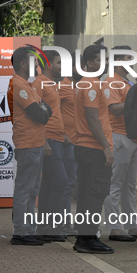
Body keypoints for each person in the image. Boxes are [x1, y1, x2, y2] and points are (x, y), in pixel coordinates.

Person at [72, 45, 114, 254]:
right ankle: (87, 239)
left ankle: (85, 238)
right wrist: (106, 147)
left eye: (106, 60)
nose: (105, 64)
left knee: (88, 194)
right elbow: (92, 118)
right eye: (100, 60)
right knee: (94, 195)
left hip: (87, 147)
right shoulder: (91, 84)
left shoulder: (86, 83)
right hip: (93, 148)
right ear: (89, 63)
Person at [9, 47, 51, 246]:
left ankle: (28, 229)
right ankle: (20, 231)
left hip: (36, 142)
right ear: (24, 64)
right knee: (25, 188)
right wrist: (43, 110)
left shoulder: (29, 85)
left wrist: (43, 110)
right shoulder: (19, 85)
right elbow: (41, 114)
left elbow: (46, 109)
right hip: (27, 143)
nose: (37, 65)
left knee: (32, 188)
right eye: (33, 61)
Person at [103, 46, 137, 242]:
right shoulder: (111, 81)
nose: (132, 62)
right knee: (115, 184)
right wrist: (136, 102)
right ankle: (115, 228)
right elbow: (114, 109)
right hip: (118, 136)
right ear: (117, 60)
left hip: (132, 137)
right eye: (129, 58)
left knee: (129, 185)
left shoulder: (127, 82)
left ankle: (133, 225)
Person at [32, 50, 67, 241]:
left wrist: (65, 134)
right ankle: (52, 228)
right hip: (49, 140)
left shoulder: (52, 84)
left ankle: (44, 228)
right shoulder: (39, 83)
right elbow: (35, 114)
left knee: (49, 184)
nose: (62, 66)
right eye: (59, 62)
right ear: (49, 64)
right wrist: (44, 141)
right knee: (60, 181)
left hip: (58, 140)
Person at [57, 53, 82, 236]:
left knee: (76, 184)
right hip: (68, 143)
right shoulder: (62, 86)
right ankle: (63, 224)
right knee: (66, 184)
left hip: (83, 143)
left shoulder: (82, 86)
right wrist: (63, 134)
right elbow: (53, 111)